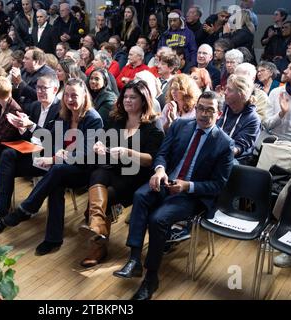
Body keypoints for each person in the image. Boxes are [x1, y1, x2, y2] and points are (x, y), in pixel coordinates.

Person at [113, 90, 234, 300]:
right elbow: (162, 154)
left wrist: (188, 186)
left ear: (220, 114)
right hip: (166, 181)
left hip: (190, 195)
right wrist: (160, 170)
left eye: (210, 110)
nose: (204, 114)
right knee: (140, 196)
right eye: (200, 108)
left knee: (158, 219)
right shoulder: (180, 126)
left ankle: (151, 279)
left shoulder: (224, 144)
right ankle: (134, 260)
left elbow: (218, 185)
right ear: (195, 108)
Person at [0, 78, 103, 255]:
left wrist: (54, 158)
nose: (70, 100)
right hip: (61, 166)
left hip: (83, 169)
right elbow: (51, 139)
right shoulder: (64, 114)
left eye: (74, 95)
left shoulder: (93, 119)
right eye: (67, 96)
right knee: (55, 178)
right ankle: (52, 239)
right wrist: (30, 126)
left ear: (84, 95)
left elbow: (86, 154)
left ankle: (27, 208)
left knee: (57, 170)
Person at [79, 80, 164, 268]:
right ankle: (97, 227)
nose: (127, 100)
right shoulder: (116, 118)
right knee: (98, 174)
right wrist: (99, 146)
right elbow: (102, 141)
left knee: (105, 195)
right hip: (114, 169)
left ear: (144, 100)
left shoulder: (152, 125)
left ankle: (97, 244)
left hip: (135, 176)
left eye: (133, 97)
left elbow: (153, 159)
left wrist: (129, 153)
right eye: (125, 96)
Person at [0, 73, 62, 236]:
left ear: (55, 89)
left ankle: (4, 212)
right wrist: (21, 129)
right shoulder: (35, 106)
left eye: (44, 88)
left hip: (49, 158)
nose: (40, 91)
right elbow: (28, 137)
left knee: (5, 163)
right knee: (6, 155)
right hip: (32, 153)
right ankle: (2, 211)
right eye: (38, 87)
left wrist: (31, 126)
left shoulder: (61, 110)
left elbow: (53, 139)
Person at [218, 74, 261, 163]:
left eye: (229, 90)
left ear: (241, 94)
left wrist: (217, 152)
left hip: (236, 159)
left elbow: (238, 148)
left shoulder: (253, 119)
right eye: (226, 88)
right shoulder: (222, 107)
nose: (225, 92)